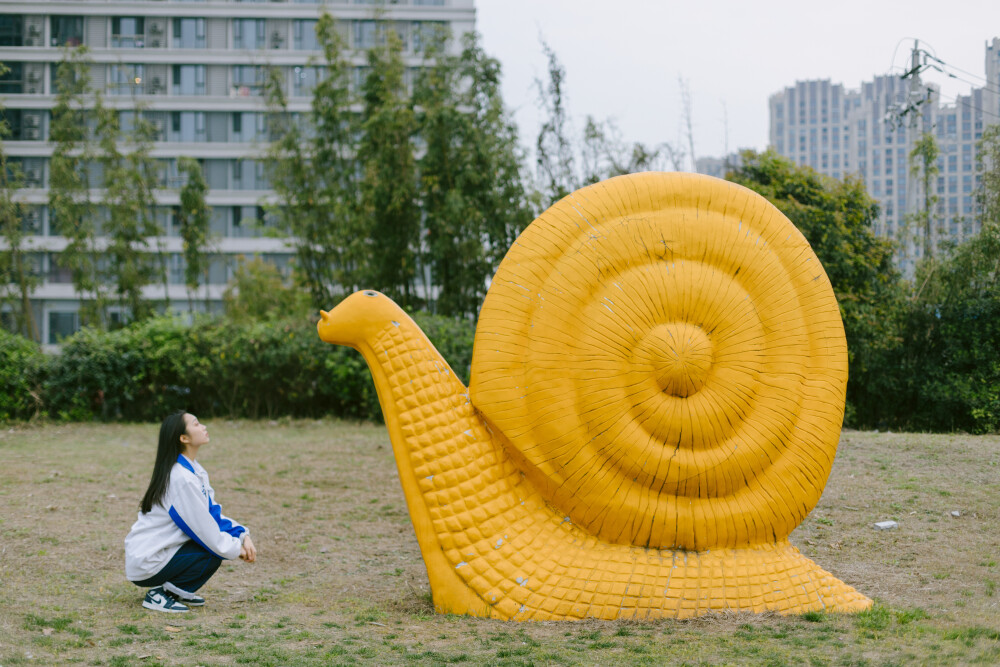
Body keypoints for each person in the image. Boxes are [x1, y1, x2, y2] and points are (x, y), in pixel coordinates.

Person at [124, 411, 256, 613]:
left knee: (211, 548)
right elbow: (205, 530)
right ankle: (161, 595)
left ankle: (176, 592)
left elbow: (212, 514)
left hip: (158, 554)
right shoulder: (181, 478)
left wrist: (241, 534)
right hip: (148, 561)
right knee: (211, 551)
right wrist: (236, 548)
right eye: (196, 424)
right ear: (184, 438)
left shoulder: (193, 470)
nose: (203, 426)